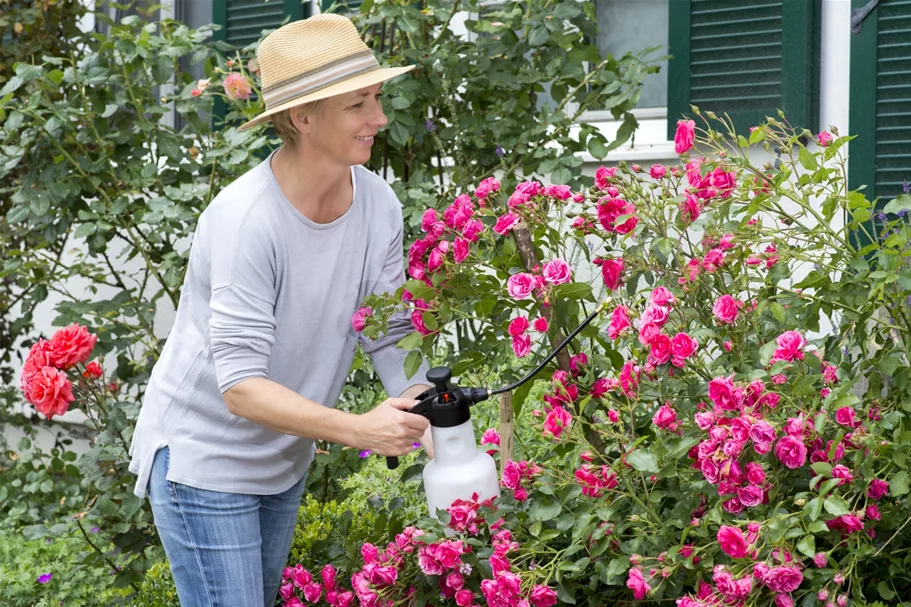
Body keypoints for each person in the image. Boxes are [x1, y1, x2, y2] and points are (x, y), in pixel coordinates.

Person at [127, 13, 433, 607]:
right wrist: (360, 430)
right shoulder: (247, 221)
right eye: (358, 105)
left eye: (376, 98)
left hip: (280, 457)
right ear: (302, 117)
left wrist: (440, 420)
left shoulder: (377, 203)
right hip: (204, 460)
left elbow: (390, 329)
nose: (380, 118)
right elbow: (240, 388)